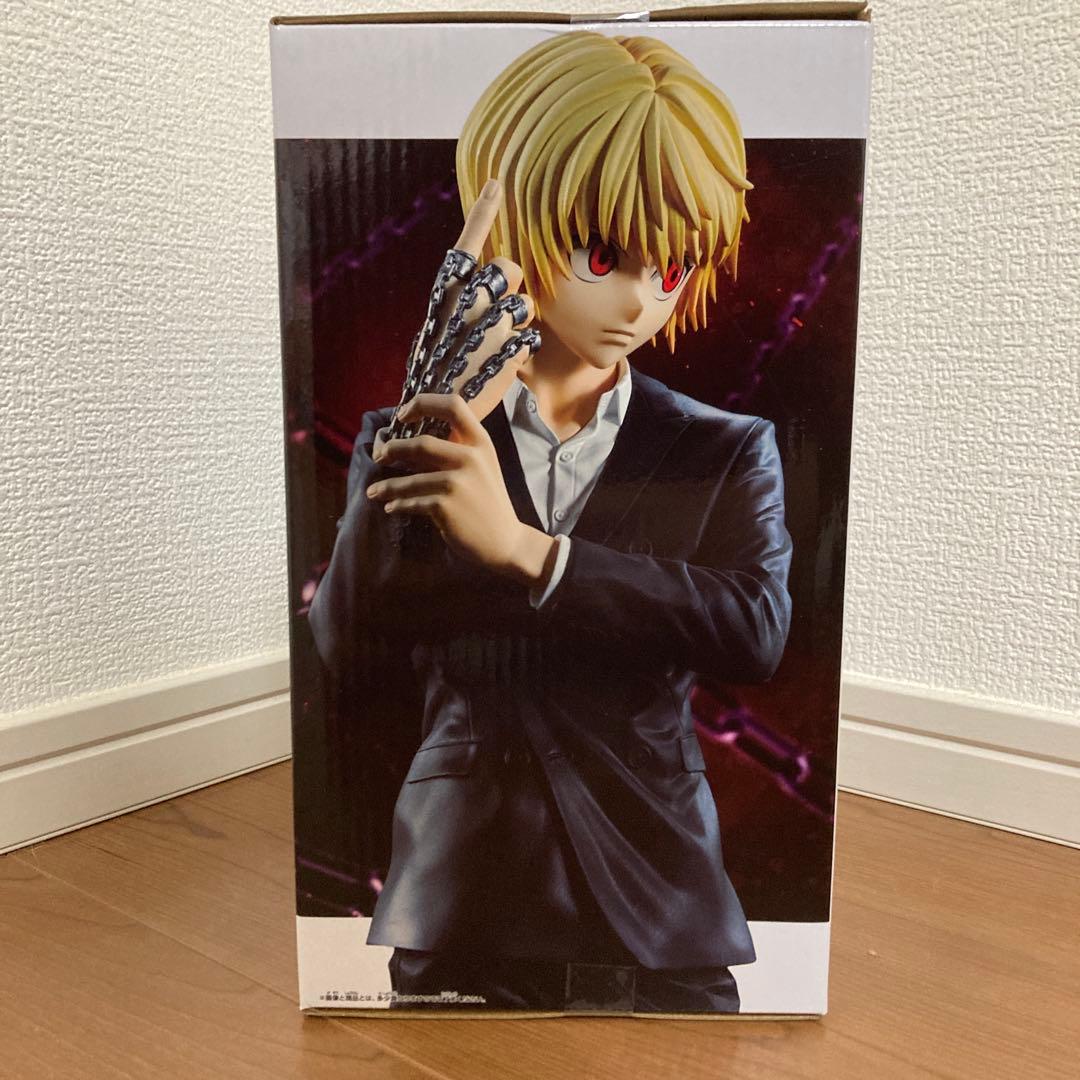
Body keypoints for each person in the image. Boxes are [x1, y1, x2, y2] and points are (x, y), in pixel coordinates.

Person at [308, 31, 793, 1013]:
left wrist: (532, 553)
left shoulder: (726, 448)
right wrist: (433, 409)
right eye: (605, 255)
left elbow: (755, 630)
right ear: (513, 219)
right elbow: (342, 653)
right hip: (461, 895)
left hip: (662, 899)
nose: (640, 300)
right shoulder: (411, 431)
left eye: (672, 268)